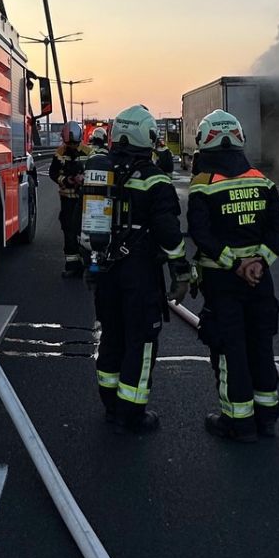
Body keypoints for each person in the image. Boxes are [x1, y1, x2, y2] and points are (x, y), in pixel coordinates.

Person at [81, 105, 193, 434]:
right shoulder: (155, 179)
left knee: (112, 334)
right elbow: (170, 233)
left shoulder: (100, 171)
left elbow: (84, 224)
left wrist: (91, 265)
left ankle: (111, 405)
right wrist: (181, 272)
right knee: (141, 340)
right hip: (140, 273)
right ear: (147, 136)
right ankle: (132, 413)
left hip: (105, 269)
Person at [187, 109, 279, 442]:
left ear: (205, 143)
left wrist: (235, 264)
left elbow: (201, 235)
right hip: (261, 283)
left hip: (223, 283)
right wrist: (259, 262)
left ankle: (238, 422)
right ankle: (268, 419)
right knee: (261, 347)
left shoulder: (203, 186)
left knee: (231, 350)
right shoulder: (262, 181)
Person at [48, 122, 88, 278]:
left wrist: (83, 179)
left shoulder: (89, 153)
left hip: (83, 200)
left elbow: (94, 172)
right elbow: (53, 173)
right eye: (69, 143)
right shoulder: (59, 154)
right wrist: (66, 180)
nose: (72, 146)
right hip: (67, 200)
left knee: (84, 231)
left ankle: (87, 264)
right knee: (68, 231)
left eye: (75, 143)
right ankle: (72, 265)